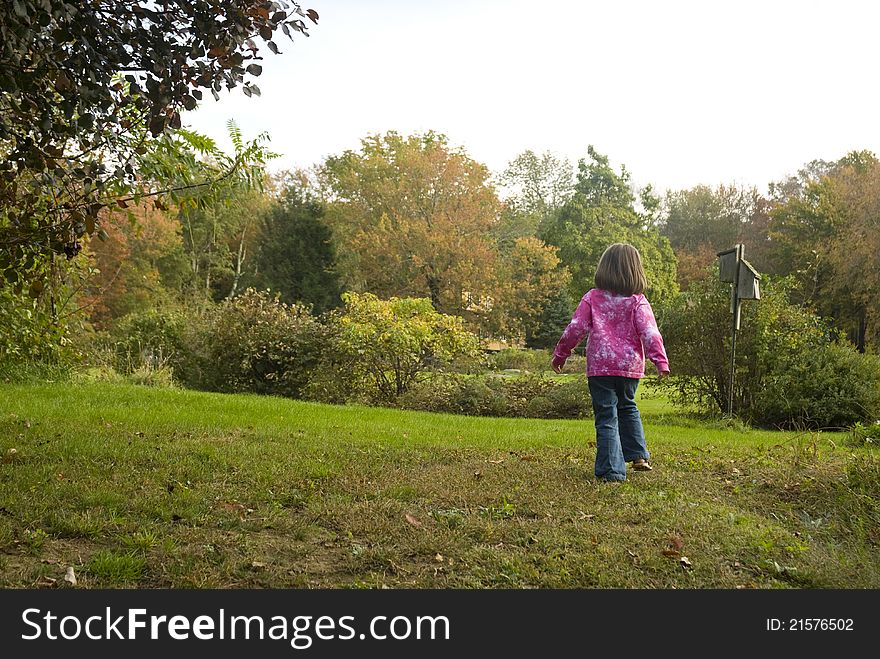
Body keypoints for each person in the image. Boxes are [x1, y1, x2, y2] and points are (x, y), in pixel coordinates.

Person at [551, 243, 670, 482]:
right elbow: (650, 332)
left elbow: (575, 329)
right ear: (636, 271)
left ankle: (612, 471)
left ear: (603, 268)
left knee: (606, 415)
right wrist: (660, 361)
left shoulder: (592, 298)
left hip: (600, 368)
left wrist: (560, 354)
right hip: (629, 368)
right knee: (627, 406)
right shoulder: (638, 301)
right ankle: (638, 456)